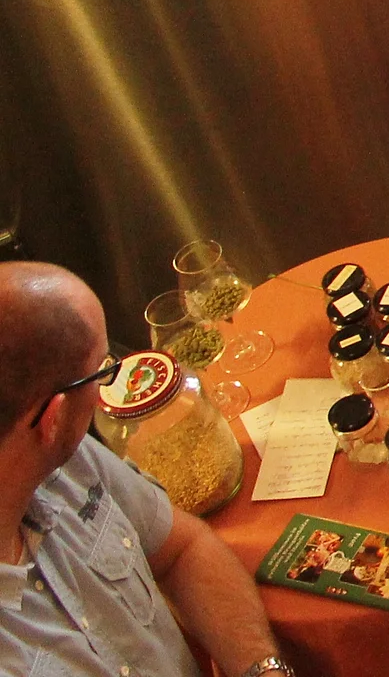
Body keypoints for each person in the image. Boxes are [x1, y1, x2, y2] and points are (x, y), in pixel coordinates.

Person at [0, 263, 294, 677]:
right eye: (103, 371)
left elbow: (182, 551)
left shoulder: (59, 460)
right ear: (53, 418)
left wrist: (261, 668)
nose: (109, 385)